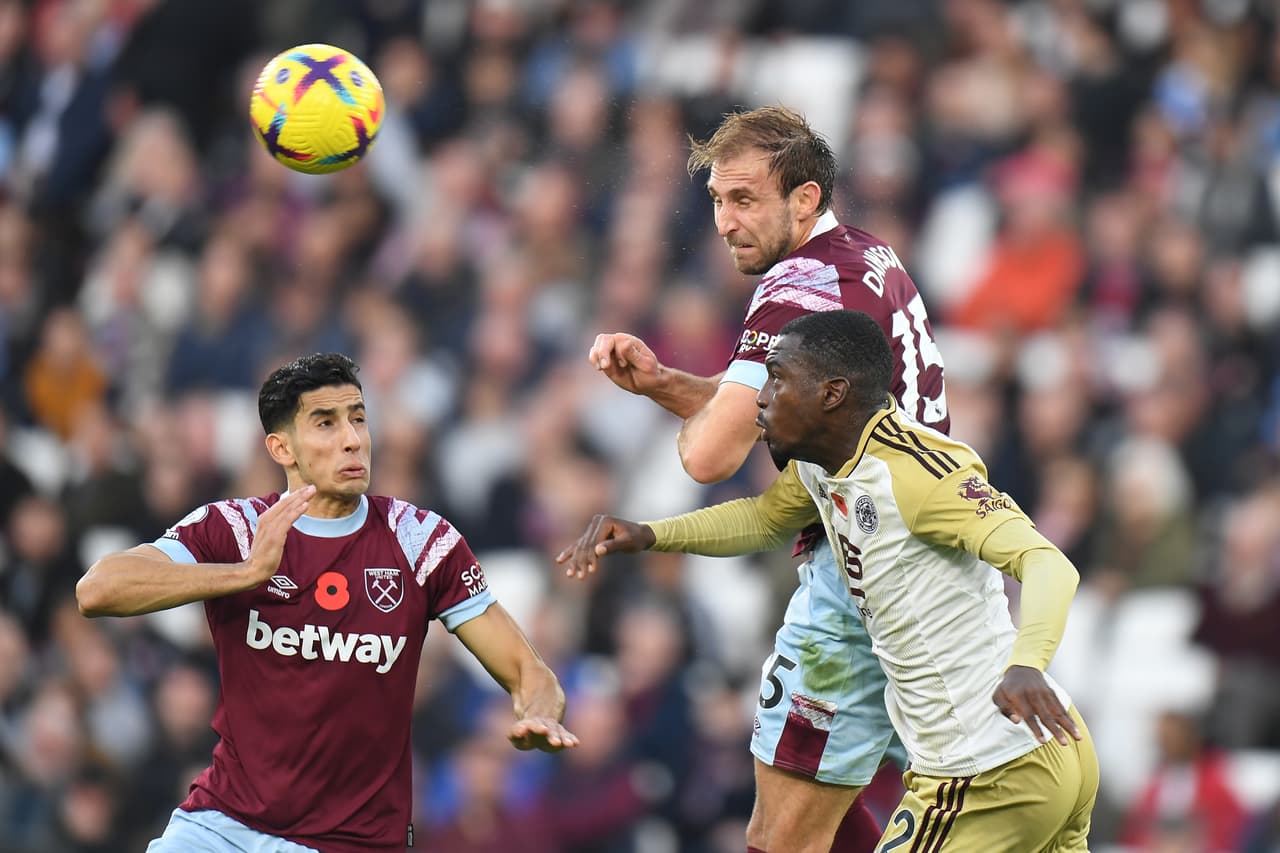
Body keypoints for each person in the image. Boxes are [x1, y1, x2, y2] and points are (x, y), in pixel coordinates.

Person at [561, 310, 1099, 851]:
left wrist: (1028, 663)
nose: (761, 398)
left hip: (987, 770)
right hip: (1043, 752)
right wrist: (650, 534)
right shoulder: (824, 461)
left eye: (778, 378)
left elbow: (1047, 562)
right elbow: (765, 519)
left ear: (831, 393)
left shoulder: (914, 476)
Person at [588, 105, 947, 853]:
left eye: (745, 198)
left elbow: (709, 458)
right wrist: (665, 383)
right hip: (929, 570)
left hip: (863, 581)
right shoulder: (865, 254)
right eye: (717, 199)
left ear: (805, 198)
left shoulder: (798, 286)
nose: (724, 222)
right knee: (824, 813)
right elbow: (766, 407)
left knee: (780, 832)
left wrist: (690, 422)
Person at [76, 352, 578, 853]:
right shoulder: (237, 528)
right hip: (222, 825)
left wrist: (540, 713)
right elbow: (97, 590)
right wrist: (245, 573)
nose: (352, 439)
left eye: (358, 418)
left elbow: (531, 675)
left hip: (350, 843)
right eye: (326, 423)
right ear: (282, 448)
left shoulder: (420, 541)